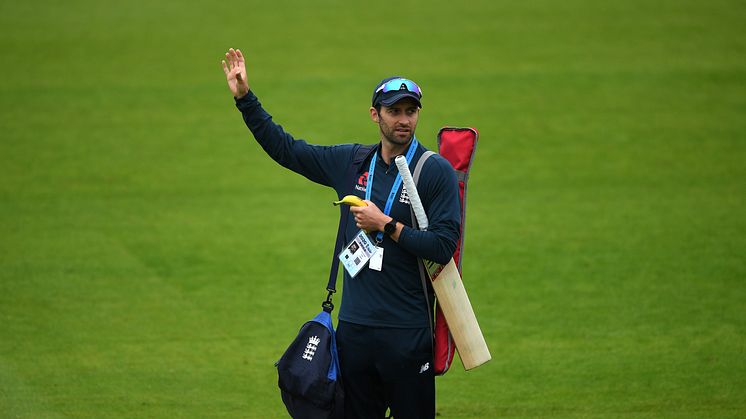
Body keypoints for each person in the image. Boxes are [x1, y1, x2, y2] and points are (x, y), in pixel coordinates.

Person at [222, 48, 461, 418]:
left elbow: (444, 247)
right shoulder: (351, 163)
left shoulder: (434, 171)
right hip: (355, 334)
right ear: (374, 115)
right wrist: (244, 99)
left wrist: (387, 225)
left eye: (410, 111)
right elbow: (288, 150)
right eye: (394, 111)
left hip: (408, 334)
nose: (403, 120)